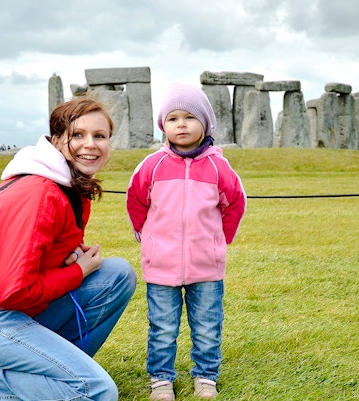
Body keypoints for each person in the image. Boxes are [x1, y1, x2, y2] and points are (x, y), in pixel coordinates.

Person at [0, 98, 137, 401]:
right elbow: (10, 291)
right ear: (56, 141)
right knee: (97, 392)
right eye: (77, 135)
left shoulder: (69, 184)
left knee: (117, 275)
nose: (90, 144)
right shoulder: (38, 192)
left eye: (100, 136)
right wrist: (78, 272)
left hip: (8, 309)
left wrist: (72, 256)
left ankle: (50, 373)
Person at [126, 83, 246, 400]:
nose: (181, 124)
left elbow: (235, 204)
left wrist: (222, 239)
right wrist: (146, 238)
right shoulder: (152, 166)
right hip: (161, 264)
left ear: (205, 123)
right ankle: (161, 380)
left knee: (207, 326)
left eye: (190, 117)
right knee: (162, 328)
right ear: (163, 125)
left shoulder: (219, 167)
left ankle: (205, 377)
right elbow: (136, 202)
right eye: (173, 118)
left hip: (206, 265)